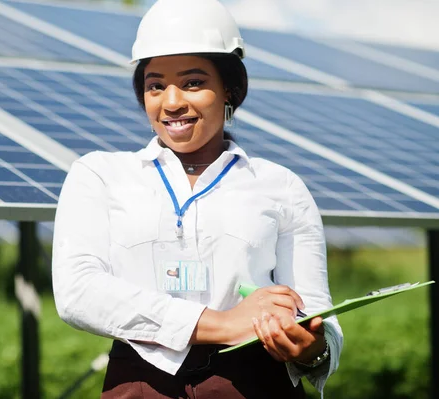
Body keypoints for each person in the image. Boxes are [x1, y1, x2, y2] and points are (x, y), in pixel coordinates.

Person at [52, 0, 343, 397]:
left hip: (253, 384)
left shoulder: (280, 185)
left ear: (230, 90)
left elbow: (318, 316)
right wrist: (224, 323)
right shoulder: (100, 175)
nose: (171, 102)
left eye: (192, 83)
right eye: (155, 85)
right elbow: (78, 294)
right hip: (140, 385)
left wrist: (311, 347)